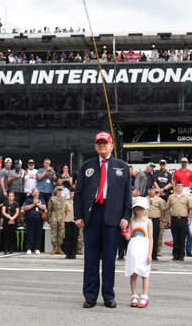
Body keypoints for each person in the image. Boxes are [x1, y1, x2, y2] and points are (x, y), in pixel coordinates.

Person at [74, 131, 132, 309]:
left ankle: (108, 295)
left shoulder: (122, 166)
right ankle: (90, 296)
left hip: (112, 216)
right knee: (90, 259)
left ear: (111, 146)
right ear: (95, 146)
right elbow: (78, 193)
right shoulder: (87, 166)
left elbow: (127, 195)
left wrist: (125, 216)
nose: (102, 146)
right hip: (92, 216)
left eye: (105, 143)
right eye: (99, 143)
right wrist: (78, 216)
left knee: (109, 259)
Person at [123, 197, 153, 309]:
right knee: (134, 273)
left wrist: (149, 254)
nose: (139, 210)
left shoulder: (148, 222)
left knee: (144, 273)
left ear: (145, 209)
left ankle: (145, 295)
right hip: (133, 248)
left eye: (141, 208)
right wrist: (124, 230)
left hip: (144, 248)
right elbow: (128, 237)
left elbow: (150, 238)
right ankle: (134, 294)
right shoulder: (132, 221)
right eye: (136, 208)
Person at [167, 182, 190, 261]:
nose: (179, 188)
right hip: (174, 219)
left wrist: (189, 219)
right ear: (175, 187)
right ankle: (175, 255)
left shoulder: (187, 197)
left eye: (180, 186)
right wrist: (169, 219)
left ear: (183, 187)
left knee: (182, 238)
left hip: (183, 219)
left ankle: (181, 256)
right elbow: (168, 208)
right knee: (175, 238)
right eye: (177, 186)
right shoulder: (171, 197)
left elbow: (190, 208)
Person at [23, 188, 46, 255]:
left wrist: (38, 204)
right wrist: (33, 204)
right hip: (30, 219)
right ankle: (29, 248)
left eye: (37, 192)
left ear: (39, 193)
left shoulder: (41, 199)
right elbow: (25, 208)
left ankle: (37, 248)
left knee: (38, 234)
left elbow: (44, 207)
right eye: (34, 192)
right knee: (30, 233)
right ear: (32, 193)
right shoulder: (28, 199)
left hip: (39, 219)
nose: (36, 193)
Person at [146, 186, 166, 260]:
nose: (151, 191)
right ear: (148, 191)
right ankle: (146, 254)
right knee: (146, 237)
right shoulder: (144, 199)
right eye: (149, 190)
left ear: (154, 191)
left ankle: (154, 254)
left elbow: (162, 211)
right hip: (146, 220)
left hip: (155, 220)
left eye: (152, 190)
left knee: (155, 237)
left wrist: (161, 220)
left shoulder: (159, 200)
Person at [47, 186, 67, 254]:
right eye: (58, 190)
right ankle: (55, 248)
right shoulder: (52, 198)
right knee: (54, 233)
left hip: (62, 217)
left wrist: (65, 219)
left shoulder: (64, 199)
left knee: (61, 233)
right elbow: (49, 209)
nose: (59, 191)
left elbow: (65, 210)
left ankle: (60, 248)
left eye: (61, 190)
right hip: (54, 216)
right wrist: (49, 217)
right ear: (56, 191)